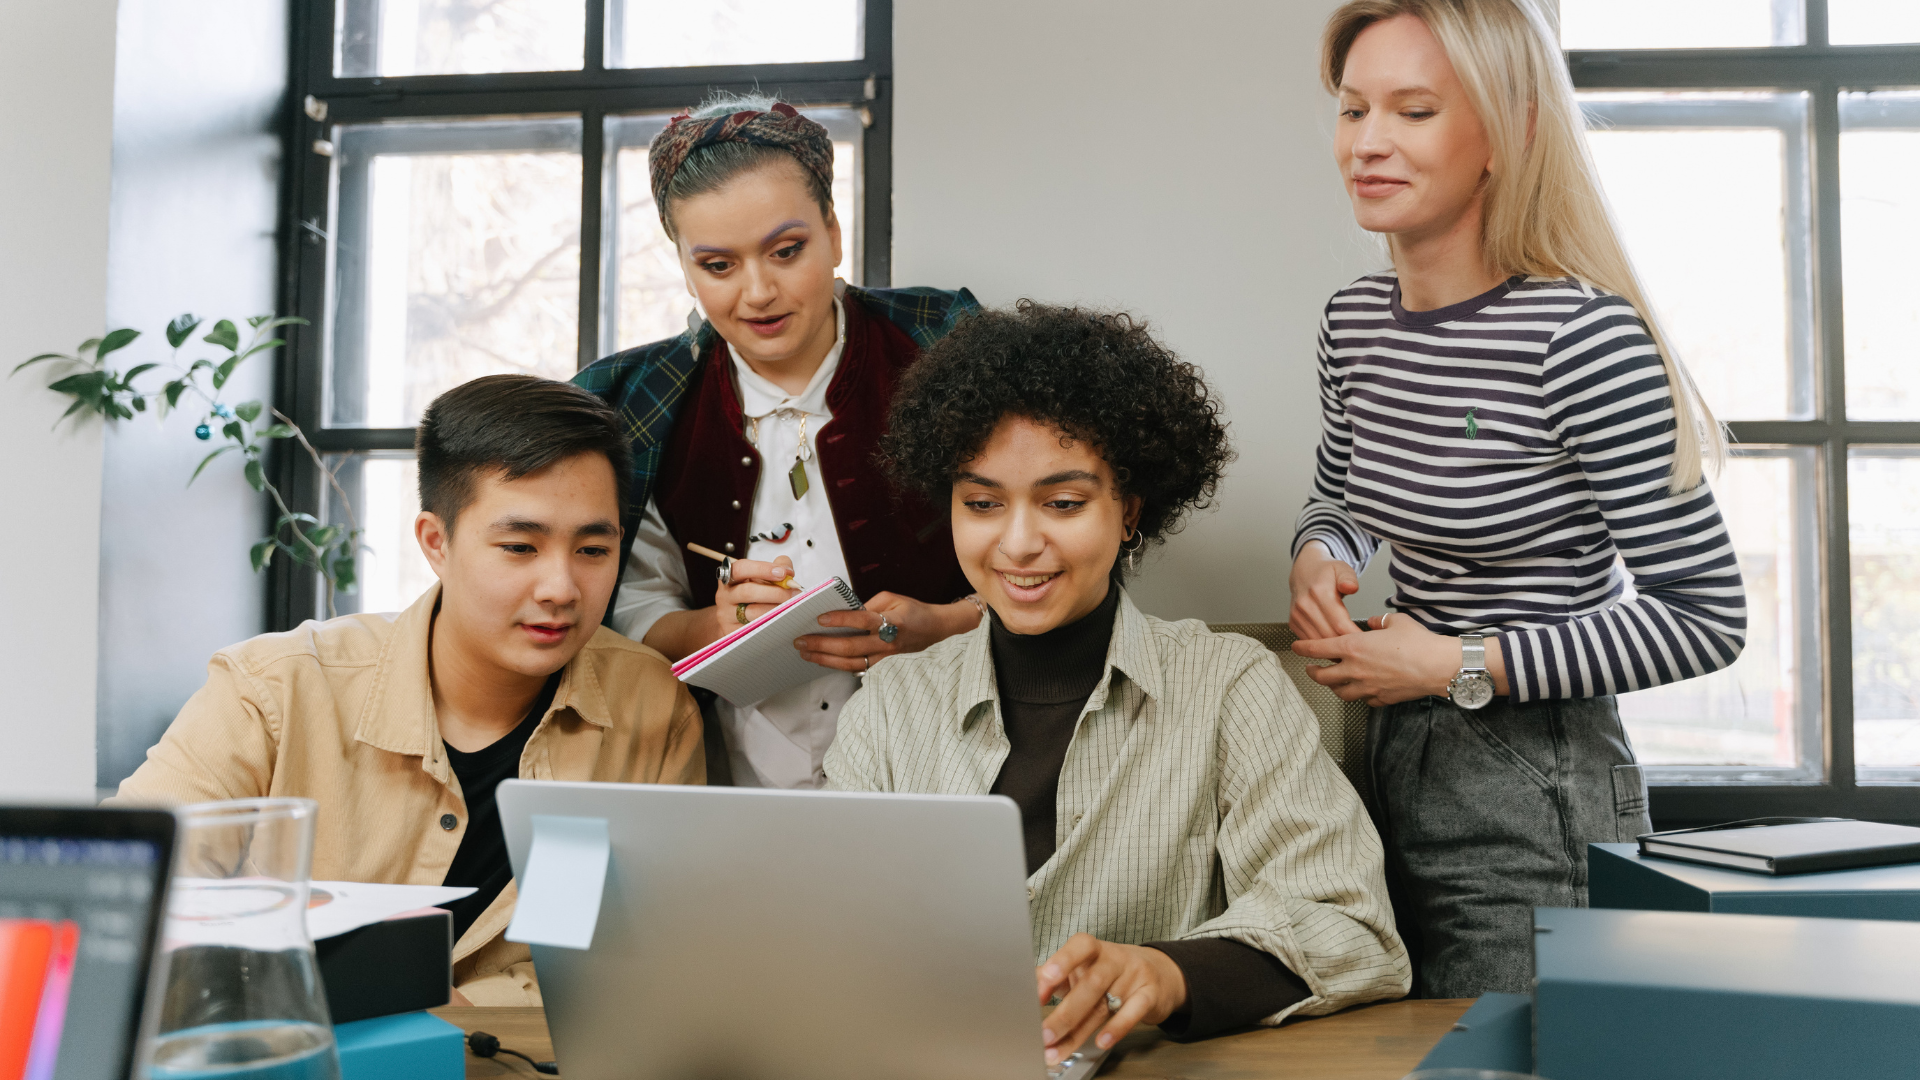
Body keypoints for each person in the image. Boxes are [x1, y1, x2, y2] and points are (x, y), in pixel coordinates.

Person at [1288, 0, 1749, 998]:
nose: (1368, 143)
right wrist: (1318, 555)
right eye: (1352, 109)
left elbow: (1705, 620)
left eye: (1412, 111)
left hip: (1539, 781)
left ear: (1506, 131)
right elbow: (1342, 498)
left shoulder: (1579, 342)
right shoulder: (1355, 321)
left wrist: (1453, 663)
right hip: (1389, 757)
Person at [826, 302, 1410, 1064]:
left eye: (1063, 503)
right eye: (982, 504)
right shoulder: (893, 707)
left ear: (1129, 510)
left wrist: (1164, 973)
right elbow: (830, 938)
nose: (1019, 542)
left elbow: (1354, 930)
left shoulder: (1229, 687)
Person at [111, 375, 704, 1004]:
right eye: (519, 547)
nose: (561, 587)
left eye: (591, 548)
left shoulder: (649, 708)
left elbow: (644, 959)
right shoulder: (274, 691)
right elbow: (122, 899)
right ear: (436, 542)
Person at [574, 92, 982, 791]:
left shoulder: (945, 347)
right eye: (718, 266)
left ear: (833, 230)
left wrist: (945, 627)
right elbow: (628, 603)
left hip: (953, 766)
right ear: (683, 263)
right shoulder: (635, 400)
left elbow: (1057, 548)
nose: (758, 292)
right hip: (730, 781)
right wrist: (709, 626)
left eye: (786, 251)